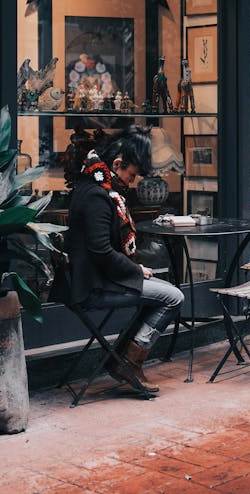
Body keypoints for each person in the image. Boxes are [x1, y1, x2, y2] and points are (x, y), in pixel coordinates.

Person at [64, 125, 184, 393]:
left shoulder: (93, 185)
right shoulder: (97, 196)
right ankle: (128, 361)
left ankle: (120, 359)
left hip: (99, 278)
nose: (132, 182)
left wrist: (134, 270)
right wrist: (136, 270)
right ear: (117, 164)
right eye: (130, 175)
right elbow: (101, 252)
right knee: (173, 297)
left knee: (160, 293)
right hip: (94, 287)